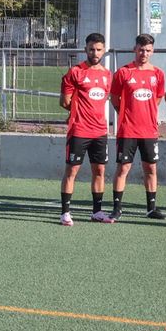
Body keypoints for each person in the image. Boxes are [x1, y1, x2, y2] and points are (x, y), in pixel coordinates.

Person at [109, 33, 166, 221]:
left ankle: (151, 208)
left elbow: (157, 98)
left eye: (148, 50)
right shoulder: (123, 73)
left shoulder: (157, 74)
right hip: (128, 130)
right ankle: (117, 208)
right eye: (141, 49)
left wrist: (146, 113)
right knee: (123, 168)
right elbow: (115, 99)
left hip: (149, 130)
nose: (144, 53)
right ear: (135, 49)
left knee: (151, 168)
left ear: (153, 51)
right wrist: (127, 114)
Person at [58, 32, 113, 225]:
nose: (95, 52)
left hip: (100, 131)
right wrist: (78, 112)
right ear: (85, 50)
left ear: (104, 50)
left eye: (98, 49)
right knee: (72, 171)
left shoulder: (107, 75)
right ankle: (65, 213)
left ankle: (97, 212)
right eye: (91, 49)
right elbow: (64, 101)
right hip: (79, 130)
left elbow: (102, 99)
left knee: (99, 171)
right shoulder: (75, 72)